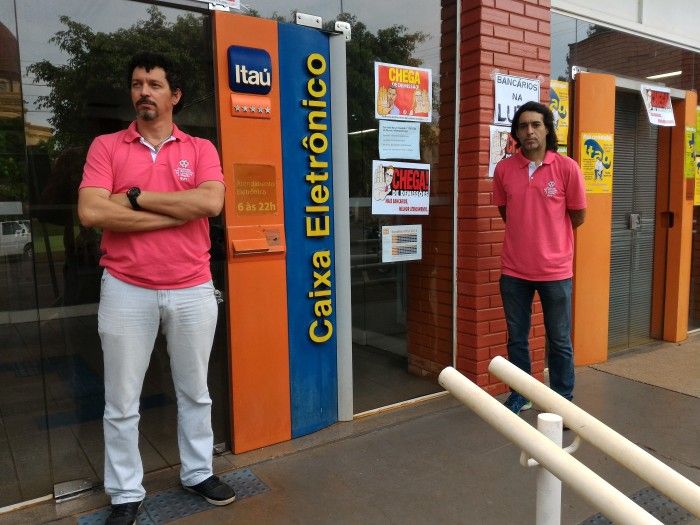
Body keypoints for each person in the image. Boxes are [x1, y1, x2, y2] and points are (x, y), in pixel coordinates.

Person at [78, 51, 234, 525]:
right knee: (121, 401)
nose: (143, 92)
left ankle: (198, 471)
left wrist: (136, 199)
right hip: (126, 288)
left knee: (196, 391)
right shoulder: (106, 147)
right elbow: (92, 212)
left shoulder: (200, 149)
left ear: (175, 95)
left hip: (192, 288)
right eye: (137, 84)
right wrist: (174, 213)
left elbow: (211, 203)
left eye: (154, 84)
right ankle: (126, 492)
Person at [492, 101, 586, 415]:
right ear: (516, 133)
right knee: (516, 338)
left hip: (555, 271)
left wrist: (550, 238)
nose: (529, 131)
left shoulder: (567, 168)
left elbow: (578, 215)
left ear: (547, 129)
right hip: (514, 271)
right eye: (523, 126)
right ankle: (521, 394)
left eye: (536, 125)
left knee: (559, 340)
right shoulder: (504, 170)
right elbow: (506, 212)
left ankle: (562, 402)